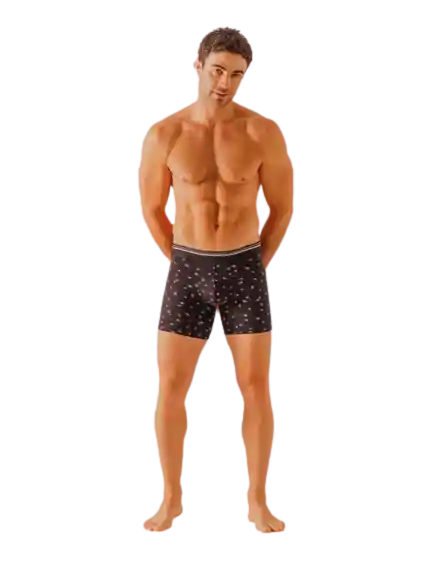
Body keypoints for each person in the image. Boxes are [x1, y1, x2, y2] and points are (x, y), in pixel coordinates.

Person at [137, 26, 295, 534]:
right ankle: (169, 503)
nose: (225, 83)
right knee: (168, 386)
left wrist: (256, 263)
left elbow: (283, 208)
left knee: (256, 387)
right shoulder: (166, 133)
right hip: (187, 268)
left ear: (245, 77)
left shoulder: (261, 133)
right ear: (198, 66)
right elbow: (151, 208)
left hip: (244, 267)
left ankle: (257, 505)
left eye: (236, 74)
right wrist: (183, 262)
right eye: (218, 70)